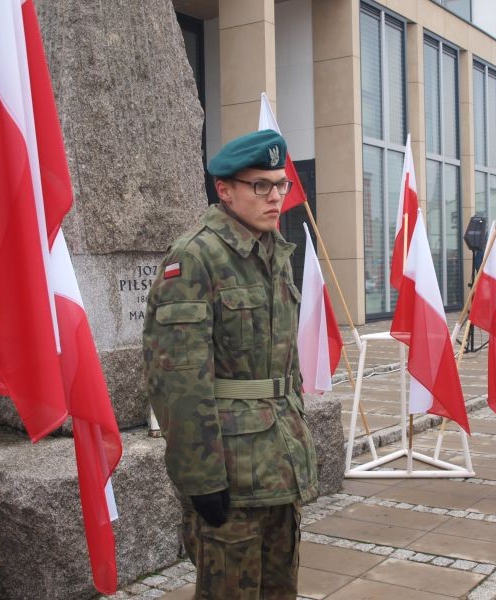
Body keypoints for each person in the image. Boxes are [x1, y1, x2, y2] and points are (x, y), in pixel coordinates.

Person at [143, 129, 318, 599]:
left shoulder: (273, 250)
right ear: (224, 190)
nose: (276, 196)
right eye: (261, 185)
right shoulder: (195, 257)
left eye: (280, 184)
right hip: (232, 472)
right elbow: (178, 381)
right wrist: (200, 478)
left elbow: (284, 365)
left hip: (279, 463)